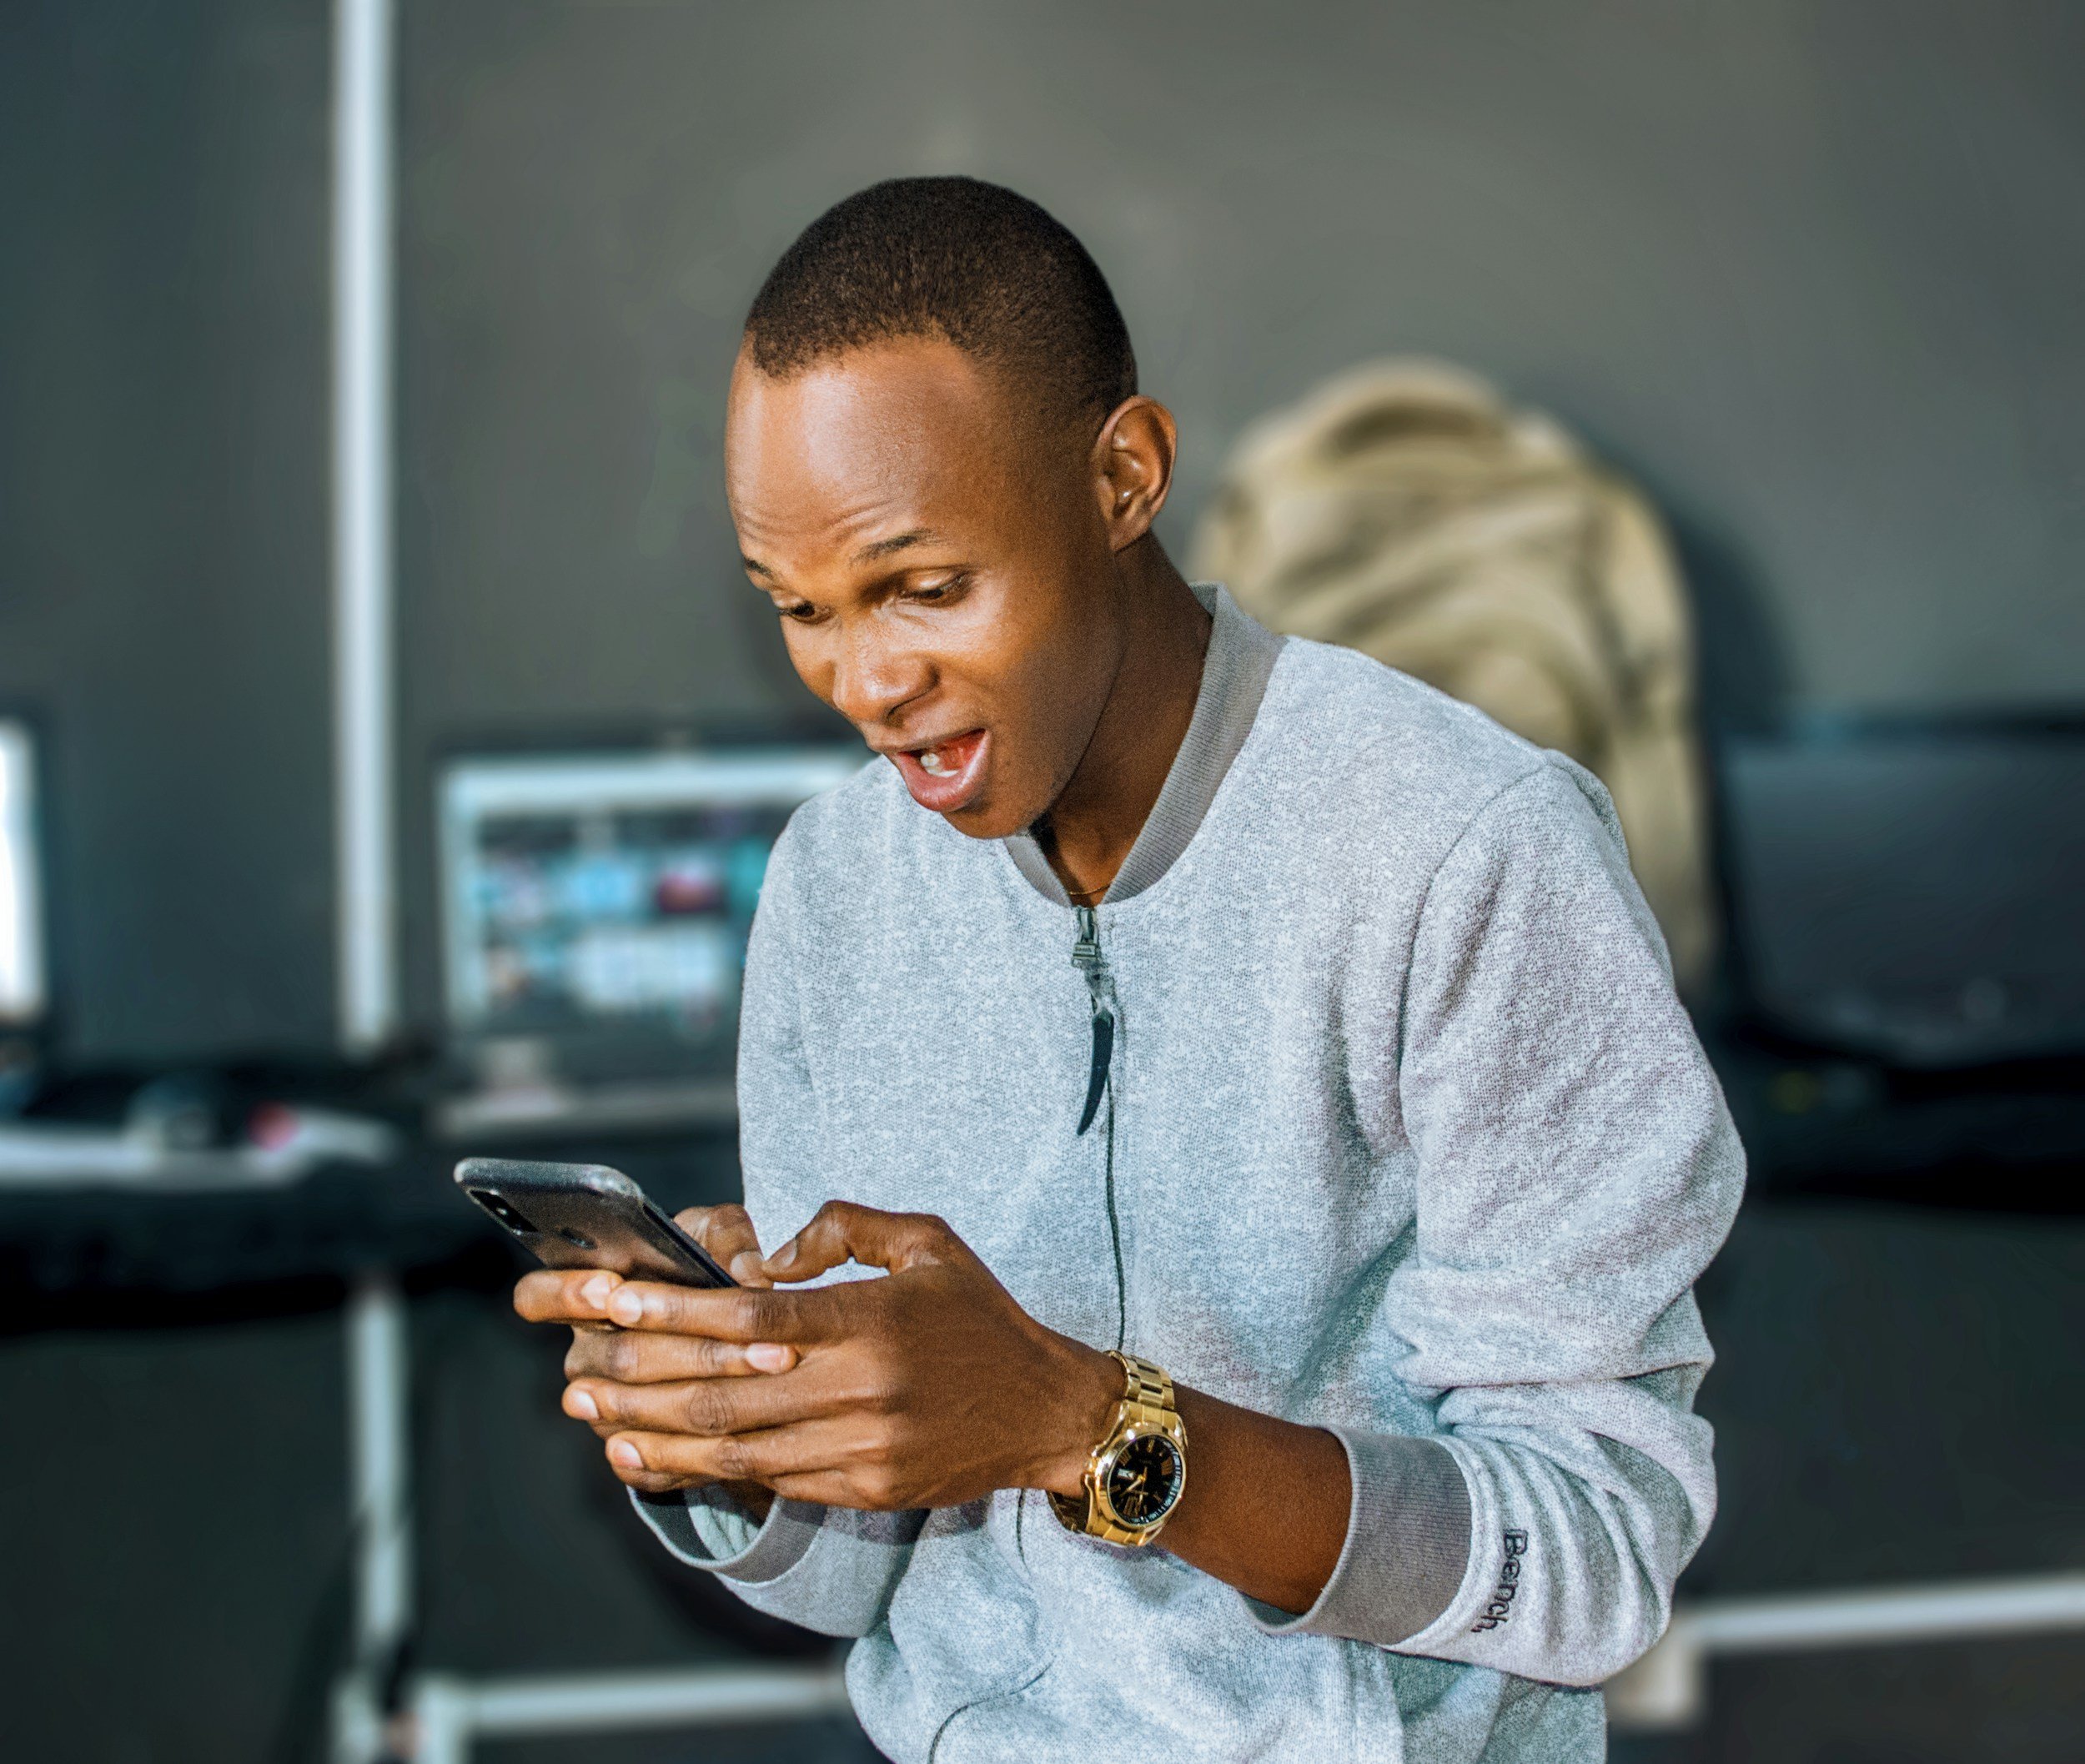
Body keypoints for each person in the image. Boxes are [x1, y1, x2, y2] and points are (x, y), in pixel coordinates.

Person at [515, 176, 1745, 1762]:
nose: (867, 683)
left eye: (926, 586)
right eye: (801, 612)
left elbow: (1589, 1554)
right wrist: (735, 1431)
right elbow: (857, 1583)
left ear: (1122, 477)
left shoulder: (1468, 853)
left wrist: (1088, 1430)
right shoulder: (834, 887)